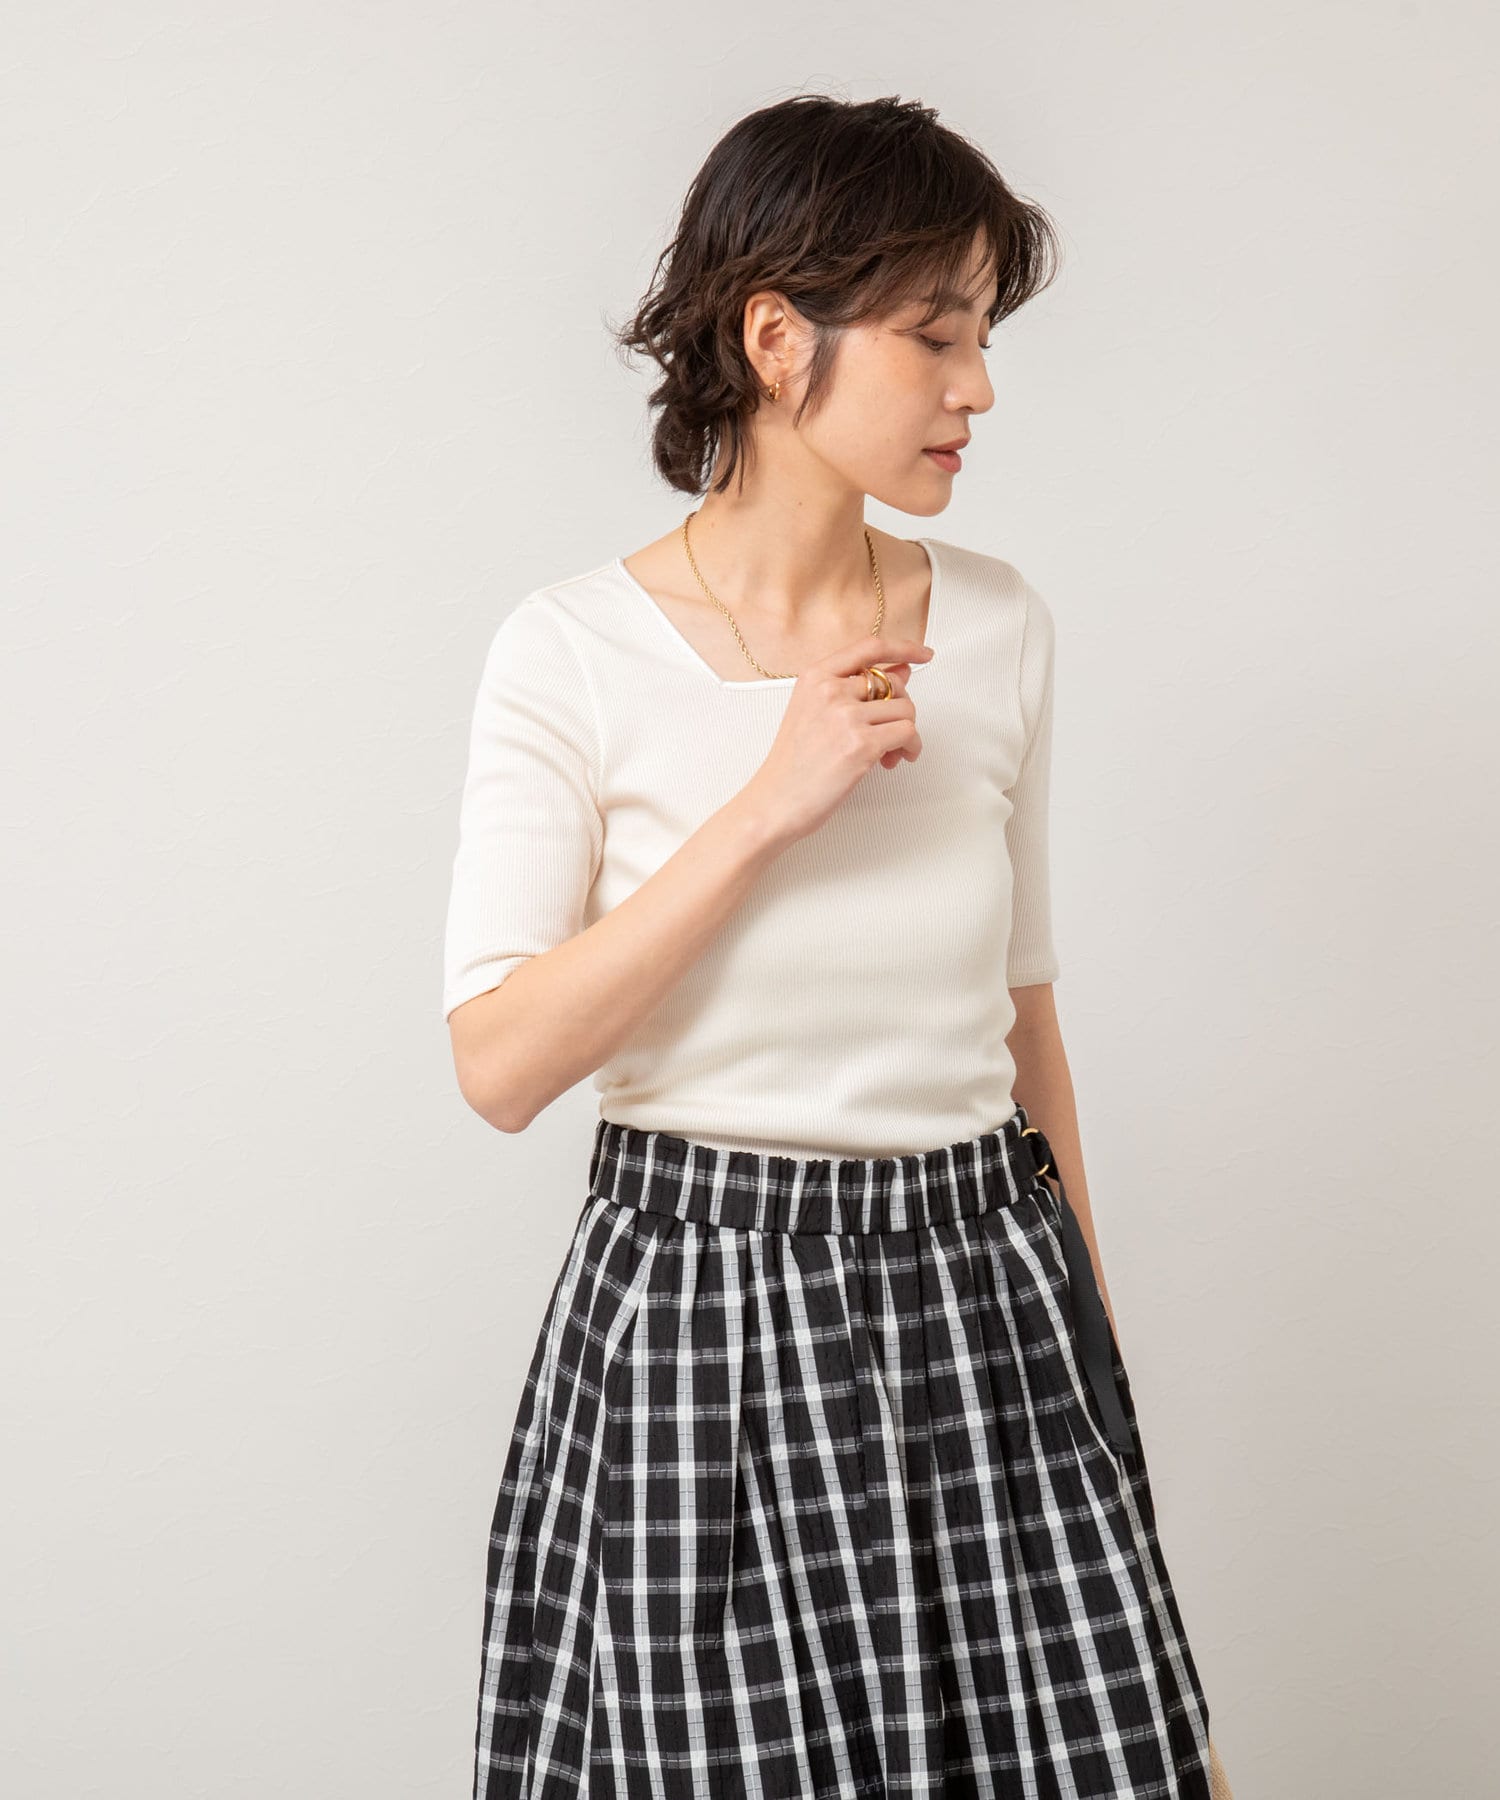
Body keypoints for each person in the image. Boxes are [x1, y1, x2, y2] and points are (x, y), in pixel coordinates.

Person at [444, 92, 1233, 1800]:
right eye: (936, 336)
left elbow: (1024, 1019)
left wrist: (1094, 1364)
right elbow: (497, 1065)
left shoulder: (998, 623)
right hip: (702, 1321)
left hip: (988, 1291)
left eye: (985, 337)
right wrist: (765, 806)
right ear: (776, 340)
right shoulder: (571, 652)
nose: (979, 387)